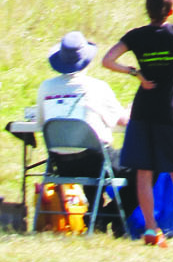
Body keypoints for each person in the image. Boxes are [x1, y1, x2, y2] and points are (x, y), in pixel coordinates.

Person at [103, 0, 173, 249]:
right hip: (170, 112)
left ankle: (151, 230)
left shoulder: (136, 36)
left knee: (143, 173)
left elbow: (107, 60)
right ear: (170, 12)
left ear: (147, 11)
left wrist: (134, 73)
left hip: (142, 112)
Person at [36, 30, 129, 177]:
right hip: (97, 163)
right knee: (139, 165)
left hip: (61, 164)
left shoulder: (45, 87)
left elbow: (41, 122)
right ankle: (118, 201)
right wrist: (130, 110)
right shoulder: (97, 87)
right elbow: (122, 120)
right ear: (86, 60)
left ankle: (96, 201)